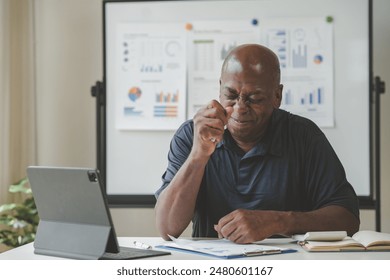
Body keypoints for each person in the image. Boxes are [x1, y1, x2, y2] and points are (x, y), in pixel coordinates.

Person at [155, 44, 360, 244]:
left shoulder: (303, 136)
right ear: (220, 89)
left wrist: (277, 221)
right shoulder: (192, 134)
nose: (240, 108)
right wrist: (198, 155)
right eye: (231, 96)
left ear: (277, 96)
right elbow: (167, 228)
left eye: (254, 98)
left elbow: (347, 219)